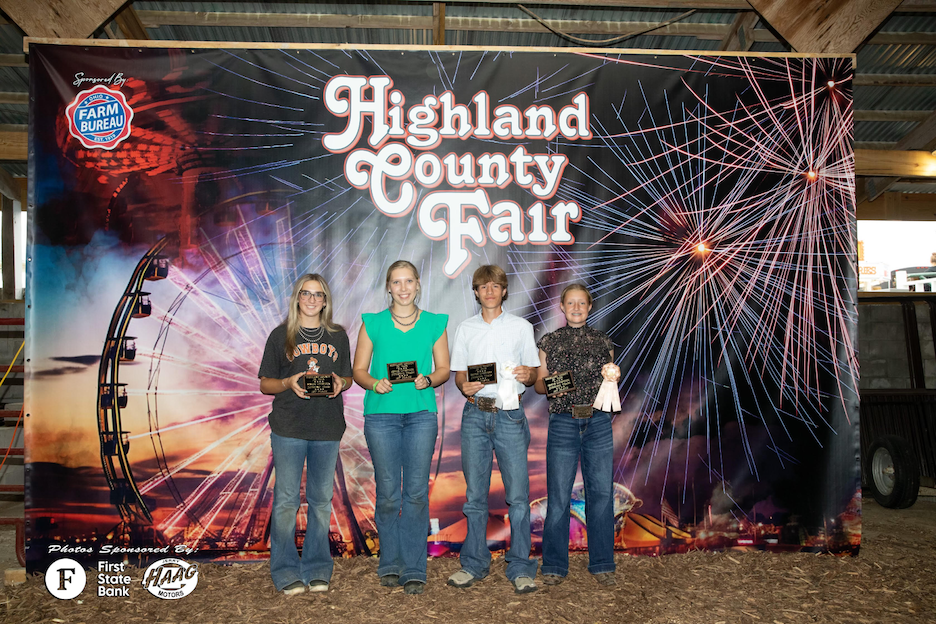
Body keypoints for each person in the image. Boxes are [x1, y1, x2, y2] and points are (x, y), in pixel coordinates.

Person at [352, 260, 450, 595]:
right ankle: (389, 562)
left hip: (421, 414)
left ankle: (414, 567)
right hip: (382, 417)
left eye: (409, 281)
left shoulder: (435, 324)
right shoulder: (373, 324)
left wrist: (430, 379)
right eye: (397, 282)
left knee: (417, 492)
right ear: (388, 287)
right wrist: (374, 383)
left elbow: (444, 369)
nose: (404, 288)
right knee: (389, 492)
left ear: (419, 284)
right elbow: (359, 371)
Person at [447, 264, 541, 594]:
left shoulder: (521, 327)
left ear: (504, 291)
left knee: (518, 497)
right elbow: (459, 375)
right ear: (475, 292)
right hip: (475, 414)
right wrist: (464, 386)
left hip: (510, 415)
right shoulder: (465, 328)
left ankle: (520, 565)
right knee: (474, 497)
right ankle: (474, 563)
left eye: (495, 285)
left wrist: (528, 376)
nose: (489, 291)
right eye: (482, 286)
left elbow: (532, 373)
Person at [258, 273, 352, 596]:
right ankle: (284, 569)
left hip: (327, 428)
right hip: (289, 427)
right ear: (297, 298)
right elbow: (265, 383)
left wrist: (341, 383)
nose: (312, 300)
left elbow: (348, 377)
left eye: (318, 294)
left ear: (325, 301)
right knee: (286, 500)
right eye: (306, 294)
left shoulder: (338, 336)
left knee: (321, 501)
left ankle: (317, 567)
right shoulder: (279, 336)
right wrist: (288, 383)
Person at [534, 284, 617, 586]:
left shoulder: (604, 342)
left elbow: (610, 381)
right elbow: (540, 386)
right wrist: (555, 384)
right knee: (558, 497)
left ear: (590, 306)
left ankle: (603, 564)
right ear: (562, 306)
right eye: (571, 303)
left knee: (602, 495)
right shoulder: (549, 342)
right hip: (563, 422)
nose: (577, 307)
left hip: (597, 422)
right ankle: (554, 566)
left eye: (582, 302)